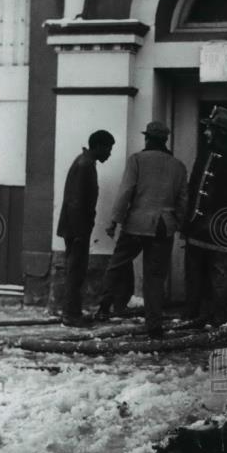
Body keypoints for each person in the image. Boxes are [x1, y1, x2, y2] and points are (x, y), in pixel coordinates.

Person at [96, 121, 188, 337]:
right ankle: (153, 324)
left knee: (117, 264)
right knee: (155, 277)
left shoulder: (136, 160)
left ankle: (103, 307)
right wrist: (182, 225)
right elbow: (183, 200)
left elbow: (126, 191)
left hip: (135, 224)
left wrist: (113, 221)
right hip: (163, 227)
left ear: (148, 139)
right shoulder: (178, 166)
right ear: (165, 140)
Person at [182, 106, 227, 326]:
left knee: (219, 273)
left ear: (220, 131)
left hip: (219, 226)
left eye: (209, 129)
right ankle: (192, 314)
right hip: (196, 224)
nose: (205, 133)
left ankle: (220, 317)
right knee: (193, 272)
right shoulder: (204, 155)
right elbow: (193, 188)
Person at [56, 129, 115, 326]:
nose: (109, 153)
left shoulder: (85, 161)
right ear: (98, 146)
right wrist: (80, 232)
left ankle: (71, 311)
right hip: (77, 228)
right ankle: (71, 315)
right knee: (76, 270)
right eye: (108, 148)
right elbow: (76, 201)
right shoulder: (85, 165)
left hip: (76, 226)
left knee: (75, 269)